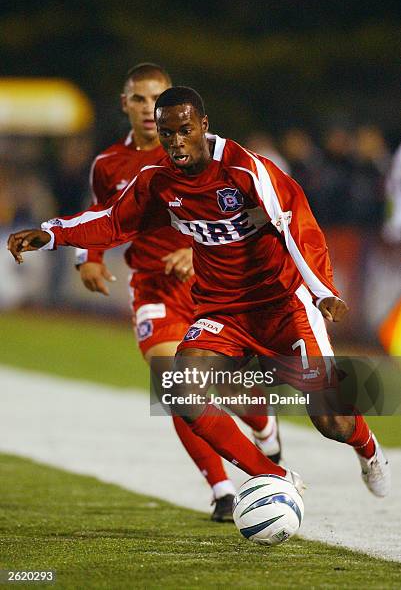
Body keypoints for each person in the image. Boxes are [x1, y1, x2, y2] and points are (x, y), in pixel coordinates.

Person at [8, 86, 391, 500]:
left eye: (184, 130)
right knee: (179, 386)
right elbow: (112, 220)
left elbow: (295, 222)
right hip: (221, 311)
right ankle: (271, 476)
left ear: (203, 126)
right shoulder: (159, 180)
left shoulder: (244, 169)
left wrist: (321, 290)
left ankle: (369, 452)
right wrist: (50, 234)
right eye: (166, 133)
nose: (175, 142)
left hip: (284, 306)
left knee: (331, 421)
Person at [72, 65, 279, 521]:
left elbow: (256, 211)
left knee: (224, 387)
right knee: (175, 385)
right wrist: (89, 256)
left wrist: (194, 244)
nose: (149, 109)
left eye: (158, 99)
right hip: (153, 286)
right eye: (140, 99)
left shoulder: (208, 154)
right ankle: (223, 489)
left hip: (210, 286)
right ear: (124, 103)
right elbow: (103, 215)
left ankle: (263, 424)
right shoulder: (108, 164)